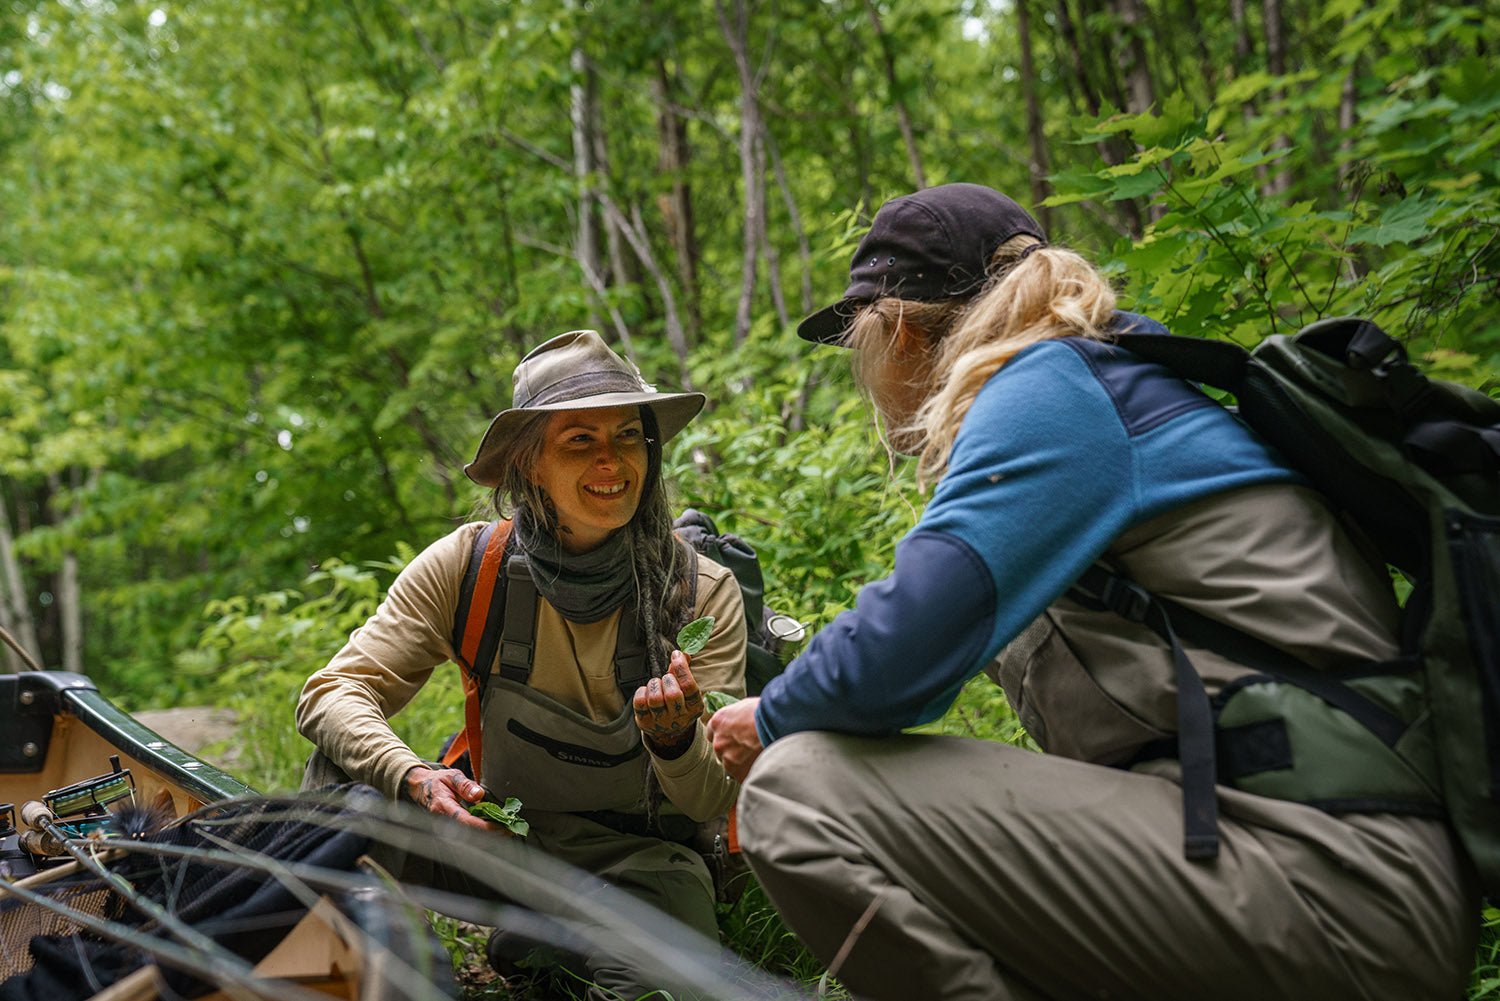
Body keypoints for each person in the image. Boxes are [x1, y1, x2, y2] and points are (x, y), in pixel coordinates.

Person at [706, 183, 1479, 1000]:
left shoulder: (1052, 388)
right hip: (1308, 861)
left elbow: (907, 640)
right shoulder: (1105, 380)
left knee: (800, 793)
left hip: (1335, 876)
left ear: (896, 331)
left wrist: (774, 712)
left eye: (860, 348)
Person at [297, 329, 747, 999]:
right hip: (497, 839)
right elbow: (330, 694)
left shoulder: (700, 592)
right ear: (528, 463)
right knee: (338, 782)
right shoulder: (468, 567)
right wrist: (415, 774)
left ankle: (546, 947)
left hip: (639, 864)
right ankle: (364, 970)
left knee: (676, 990)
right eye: (580, 441)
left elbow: (714, 798)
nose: (612, 461)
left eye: (628, 436)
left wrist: (677, 739)